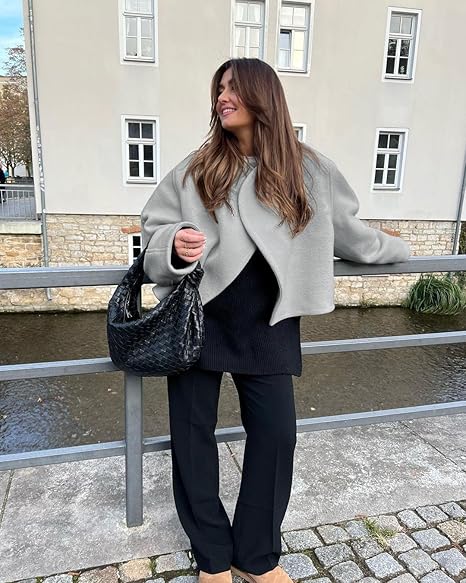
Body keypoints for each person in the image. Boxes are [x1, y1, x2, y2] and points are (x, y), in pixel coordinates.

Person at [141, 58, 411, 583]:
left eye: (234, 88)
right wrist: (174, 244)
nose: (222, 97)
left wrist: (400, 249)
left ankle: (255, 555)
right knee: (191, 437)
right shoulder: (197, 167)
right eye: (219, 89)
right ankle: (212, 557)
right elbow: (155, 227)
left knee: (277, 436)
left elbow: (350, 233)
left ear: (263, 96)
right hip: (198, 317)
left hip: (270, 322)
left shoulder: (310, 170)